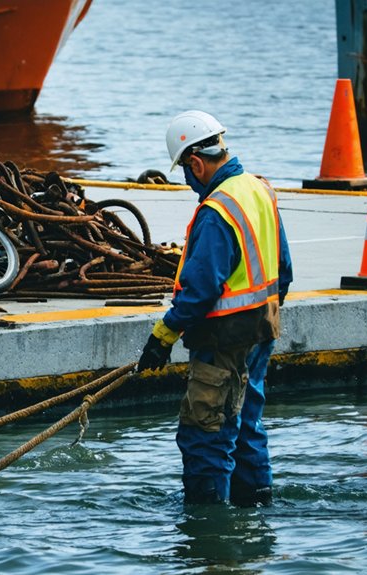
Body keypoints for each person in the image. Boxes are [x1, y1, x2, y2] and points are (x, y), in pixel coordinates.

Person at [137, 110, 293, 506]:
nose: (189, 183)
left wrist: (162, 336)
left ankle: (209, 529)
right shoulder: (259, 190)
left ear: (196, 163)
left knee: (204, 432)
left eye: (187, 174)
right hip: (261, 333)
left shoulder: (217, 211)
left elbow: (200, 291)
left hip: (223, 341)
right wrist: (262, 315)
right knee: (245, 425)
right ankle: (256, 503)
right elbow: (284, 271)